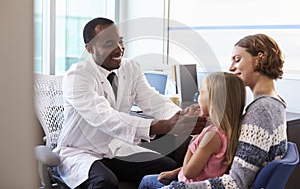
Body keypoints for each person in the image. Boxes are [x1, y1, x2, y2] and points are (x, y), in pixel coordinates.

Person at [53, 17, 206, 189]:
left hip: (113, 149)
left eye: (120, 41)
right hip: (80, 151)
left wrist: (180, 116)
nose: (119, 49)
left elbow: (152, 100)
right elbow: (105, 117)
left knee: (167, 169)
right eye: (109, 43)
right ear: (90, 48)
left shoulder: (130, 68)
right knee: (105, 182)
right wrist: (162, 126)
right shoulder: (77, 76)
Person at [161, 33, 287, 189]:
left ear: (259, 57)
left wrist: (176, 187)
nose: (231, 67)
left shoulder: (261, 111)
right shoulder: (275, 104)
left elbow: (238, 183)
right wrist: (178, 172)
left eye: (237, 59)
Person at [138, 72, 246, 189]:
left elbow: (189, 172)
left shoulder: (211, 136)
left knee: (147, 181)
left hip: (189, 185)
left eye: (201, 93)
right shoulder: (229, 130)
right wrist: (174, 173)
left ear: (213, 101)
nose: (198, 98)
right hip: (198, 181)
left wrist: (192, 143)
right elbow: (203, 166)